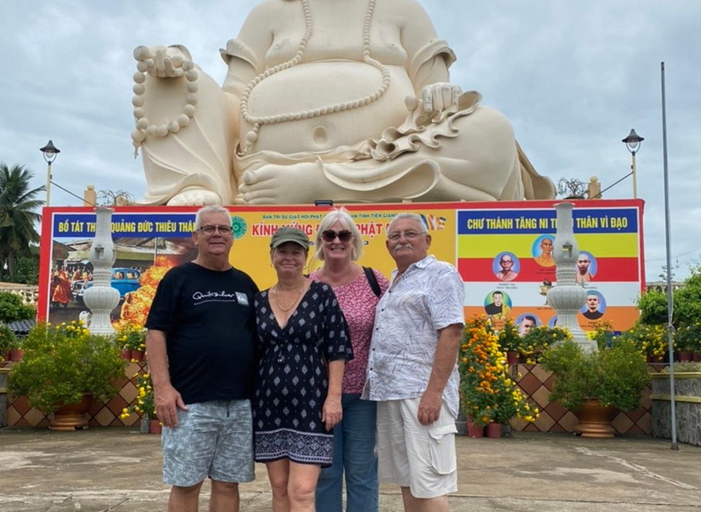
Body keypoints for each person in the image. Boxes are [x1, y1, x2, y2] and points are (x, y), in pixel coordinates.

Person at [131, 0, 555, 206]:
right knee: (168, 76)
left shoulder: (403, 10)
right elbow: (231, 102)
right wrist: (182, 71)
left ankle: (320, 184)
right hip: (261, 166)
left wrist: (437, 92)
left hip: (389, 153)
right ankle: (200, 184)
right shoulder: (268, 14)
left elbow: (441, 100)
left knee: (492, 129)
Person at [144, 205, 259, 512]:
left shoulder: (245, 284)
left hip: (239, 403)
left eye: (224, 228)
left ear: (233, 237)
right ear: (196, 237)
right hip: (189, 403)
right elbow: (156, 334)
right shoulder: (178, 279)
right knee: (186, 483)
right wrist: (162, 388)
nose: (217, 234)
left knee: (227, 483)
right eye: (209, 229)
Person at [363, 212, 465, 512]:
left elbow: (452, 332)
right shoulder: (397, 279)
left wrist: (433, 394)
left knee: (431, 484)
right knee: (409, 483)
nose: (402, 240)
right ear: (387, 244)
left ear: (427, 240)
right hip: (392, 394)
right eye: (395, 236)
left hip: (421, 396)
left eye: (410, 233)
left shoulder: (441, 274)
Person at [253, 226, 353, 512]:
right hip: (268, 406)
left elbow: (337, 349)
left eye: (295, 252)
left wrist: (334, 397)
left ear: (305, 256)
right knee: (279, 488)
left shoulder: (322, 295)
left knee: (303, 491)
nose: (289, 257)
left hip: (311, 405)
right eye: (282, 251)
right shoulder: (259, 301)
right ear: (271, 255)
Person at [310, 208, 389, 512]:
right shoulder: (309, 285)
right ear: (321, 240)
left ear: (354, 239)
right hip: (320, 395)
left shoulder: (374, 280)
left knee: (362, 472)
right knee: (325, 473)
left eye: (344, 234)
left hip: (363, 394)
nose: (337, 240)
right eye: (330, 234)